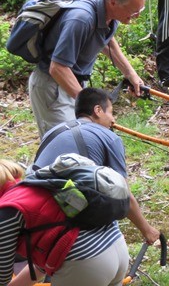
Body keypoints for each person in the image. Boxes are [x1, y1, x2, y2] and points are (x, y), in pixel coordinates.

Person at [32, 88, 160, 284]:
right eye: (111, 112)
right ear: (98, 110)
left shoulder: (53, 131)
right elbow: (122, 193)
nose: (113, 120)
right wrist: (147, 230)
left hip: (34, 223)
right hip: (79, 244)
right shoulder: (108, 136)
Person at [28, 0, 146, 137]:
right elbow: (58, 68)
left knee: (83, 142)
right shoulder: (81, 19)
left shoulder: (108, 11)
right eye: (134, 11)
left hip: (73, 82)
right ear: (113, 2)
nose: (137, 16)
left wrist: (130, 74)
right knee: (64, 147)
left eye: (140, 10)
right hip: (53, 88)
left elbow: (107, 40)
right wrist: (88, 104)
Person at [0, 157, 128, 286]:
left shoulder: (7, 211)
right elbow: (44, 260)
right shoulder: (38, 186)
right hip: (116, 245)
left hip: (84, 261)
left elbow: (2, 276)